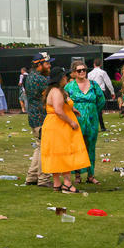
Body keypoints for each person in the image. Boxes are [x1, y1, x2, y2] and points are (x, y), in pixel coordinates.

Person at [41, 66, 90, 194]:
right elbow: (58, 110)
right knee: (64, 153)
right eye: (64, 77)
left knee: (56, 154)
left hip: (54, 125)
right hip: (59, 126)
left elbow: (59, 106)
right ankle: (67, 184)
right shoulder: (56, 91)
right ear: (60, 78)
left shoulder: (54, 90)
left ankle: (57, 183)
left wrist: (72, 109)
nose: (66, 79)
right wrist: (71, 122)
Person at [65, 60, 105, 185]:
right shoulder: (69, 87)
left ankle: (91, 175)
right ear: (74, 72)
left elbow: (101, 100)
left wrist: (93, 112)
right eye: (79, 70)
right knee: (77, 147)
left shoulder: (93, 85)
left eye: (84, 70)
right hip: (76, 121)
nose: (82, 72)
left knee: (91, 147)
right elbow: (64, 102)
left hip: (92, 120)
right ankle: (77, 175)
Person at [25, 53, 53, 188]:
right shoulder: (41, 79)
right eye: (47, 64)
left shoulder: (29, 77)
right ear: (39, 65)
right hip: (42, 117)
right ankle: (43, 179)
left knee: (39, 147)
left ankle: (32, 176)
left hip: (33, 117)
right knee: (45, 148)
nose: (50, 66)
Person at [87, 58, 114, 132]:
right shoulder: (102, 72)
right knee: (99, 110)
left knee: (94, 109)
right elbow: (108, 83)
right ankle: (102, 127)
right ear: (101, 64)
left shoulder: (89, 73)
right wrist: (112, 92)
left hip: (92, 92)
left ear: (94, 64)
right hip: (101, 92)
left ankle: (93, 126)